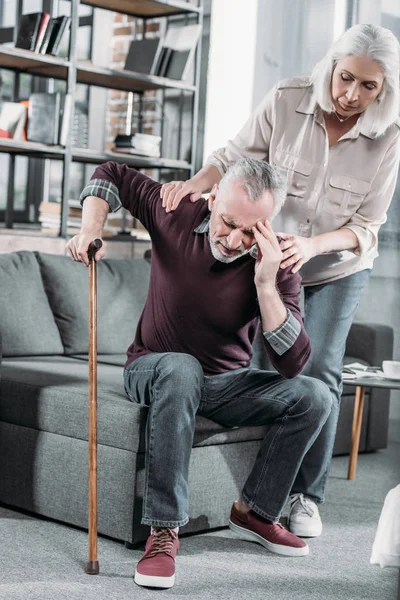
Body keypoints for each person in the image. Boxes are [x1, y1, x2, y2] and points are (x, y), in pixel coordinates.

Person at [159, 23, 400, 538]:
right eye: (345, 78)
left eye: (368, 86)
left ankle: (305, 497)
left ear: (385, 89)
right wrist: (192, 187)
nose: (350, 94)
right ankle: (259, 493)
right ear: (332, 67)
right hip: (270, 265)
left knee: (322, 372)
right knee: (273, 373)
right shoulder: (288, 98)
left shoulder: (390, 137)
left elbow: (366, 228)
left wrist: (311, 245)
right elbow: (231, 159)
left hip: (336, 266)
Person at [66, 157, 332, 589]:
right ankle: (163, 532)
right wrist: (91, 228)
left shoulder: (275, 262)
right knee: (181, 368)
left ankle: (255, 512)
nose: (234, 239)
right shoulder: (176, 211)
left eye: (251, 231)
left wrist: (266, 283)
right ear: (212, 200)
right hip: (152, 368)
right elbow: (111, 173)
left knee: (316, 395)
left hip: (222, 385)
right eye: (228, 222)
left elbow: (293, 364)